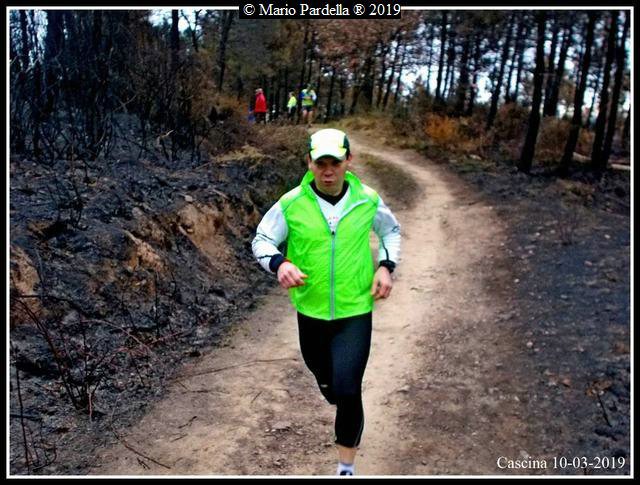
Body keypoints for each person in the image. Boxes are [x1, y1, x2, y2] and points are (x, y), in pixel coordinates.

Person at [252, 128, 401, 476]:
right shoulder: (291, 203)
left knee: (348, 389)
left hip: (355, 310)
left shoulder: (367, 200)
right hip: (310, 310)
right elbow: (262, 239)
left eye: (336, 162)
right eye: (321, 163)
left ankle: (345, 467)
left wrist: (386, 266)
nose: (329, 170)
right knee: (328, 383)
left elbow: (391, 231)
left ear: (349, 160)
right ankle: (331, 387)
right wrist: (279, 264)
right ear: (310, 162)